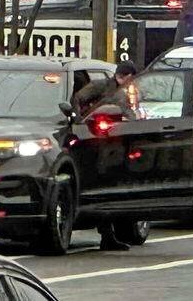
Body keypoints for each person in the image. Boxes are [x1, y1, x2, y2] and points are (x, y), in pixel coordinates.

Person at [71, 60, 138, 251]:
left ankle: (110, 235)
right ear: (124, 76)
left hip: (115, 142)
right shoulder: (101, 86)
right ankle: (106, 234)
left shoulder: (128, 93)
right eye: (131, 78)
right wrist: (80, 122)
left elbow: (128, 113)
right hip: (96, 141)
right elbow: (77, 99)